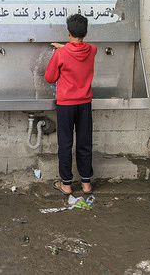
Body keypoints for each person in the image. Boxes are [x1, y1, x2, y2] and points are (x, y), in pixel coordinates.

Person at [44, 14, 97, 195]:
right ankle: (86, 184)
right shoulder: (93, 50)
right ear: (86, 33)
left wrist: (63, 49)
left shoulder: (61, 53)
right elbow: (81, 48)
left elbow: (49, 77)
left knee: (65, 143)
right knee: (84, 142)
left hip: (66, 104)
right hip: (85, 103)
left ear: (67, 33)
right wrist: (67, 47)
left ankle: (66, 184)